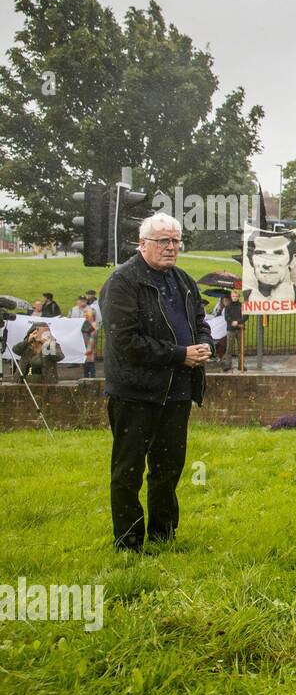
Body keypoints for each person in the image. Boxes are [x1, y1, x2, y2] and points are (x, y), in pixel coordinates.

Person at [100, 213, 213, 551]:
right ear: (143, 244)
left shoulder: (183, 280)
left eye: (176, 241)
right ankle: (129, 542)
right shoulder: (123, 281)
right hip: (135, 392)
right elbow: (126, 342)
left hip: (177, 391)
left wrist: (205, 343)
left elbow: (199, 321)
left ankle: (164, 536)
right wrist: (180, 354)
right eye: (164, 240)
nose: (171, 247)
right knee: (128, 470)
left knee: (168, 469)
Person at [242, 228, 296, 306]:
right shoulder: (247, 296)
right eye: (260, 253)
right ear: (251, 260)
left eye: (278, 254)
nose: (268, 264)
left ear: (293, 259)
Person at [223, 289, 244, 371]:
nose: (234, 298)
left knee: (240, 349)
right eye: (233, 296)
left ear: (238, 297)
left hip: (240, 329)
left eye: (236, 296)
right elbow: (226, 317)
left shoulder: (242, 306)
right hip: (230, 329)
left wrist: (238, 322)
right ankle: (228, 365)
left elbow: (245, 316)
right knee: (229, 349)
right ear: (231, 297)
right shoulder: (228, 307)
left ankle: (241, 365)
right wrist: (232, 322)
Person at [81, 307, 98, 378]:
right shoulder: (84, 323)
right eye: (84, 312)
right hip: (84, 346)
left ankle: (92, 381)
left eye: (87, 312)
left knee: (90, 364)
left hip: (89, 348)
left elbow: (93, 337)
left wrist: (89, 348)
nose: (85, 314)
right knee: (85, 365)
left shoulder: (93, 324)